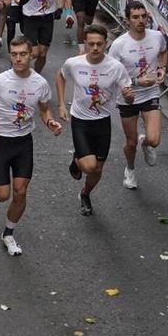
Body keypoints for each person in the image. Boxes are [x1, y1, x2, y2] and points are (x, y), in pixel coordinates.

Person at [0, 36, 61, 256]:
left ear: (31, 55)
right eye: (14, 54)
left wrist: (50, 121)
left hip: (23, 142)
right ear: (10, 56)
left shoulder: (40, 84)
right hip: (1, 141)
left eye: (23, 54)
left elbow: (44, 110)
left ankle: (8, 233)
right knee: (2, 196)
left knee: (20, 192)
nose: (18, 59)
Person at [56, 24, 135, 216]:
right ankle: (78, 160)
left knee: (97, 170)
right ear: (85, 43)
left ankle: (85, 194)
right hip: (80, 120)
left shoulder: (115, 67)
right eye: (91, 44)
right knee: (89, 165)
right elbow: (60, 76)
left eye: (99, 44)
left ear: (106, 44)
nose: (95, 48)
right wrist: (61, 104)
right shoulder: (74, 63)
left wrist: (128, 96)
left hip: (102, 122)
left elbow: (129, 96)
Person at [109, 2, 168, 190]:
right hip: (128, 97)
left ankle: (147, 143)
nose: (141, 20)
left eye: (144, 16)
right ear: (127, 20)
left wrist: (162, 68)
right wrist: (135, 82)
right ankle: (130, 169)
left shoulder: (157, 37)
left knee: (154, 140)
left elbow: (164, 51)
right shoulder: (119, 45)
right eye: (135, 17)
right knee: (131, 142)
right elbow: (111, 74)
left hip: (151, 93)